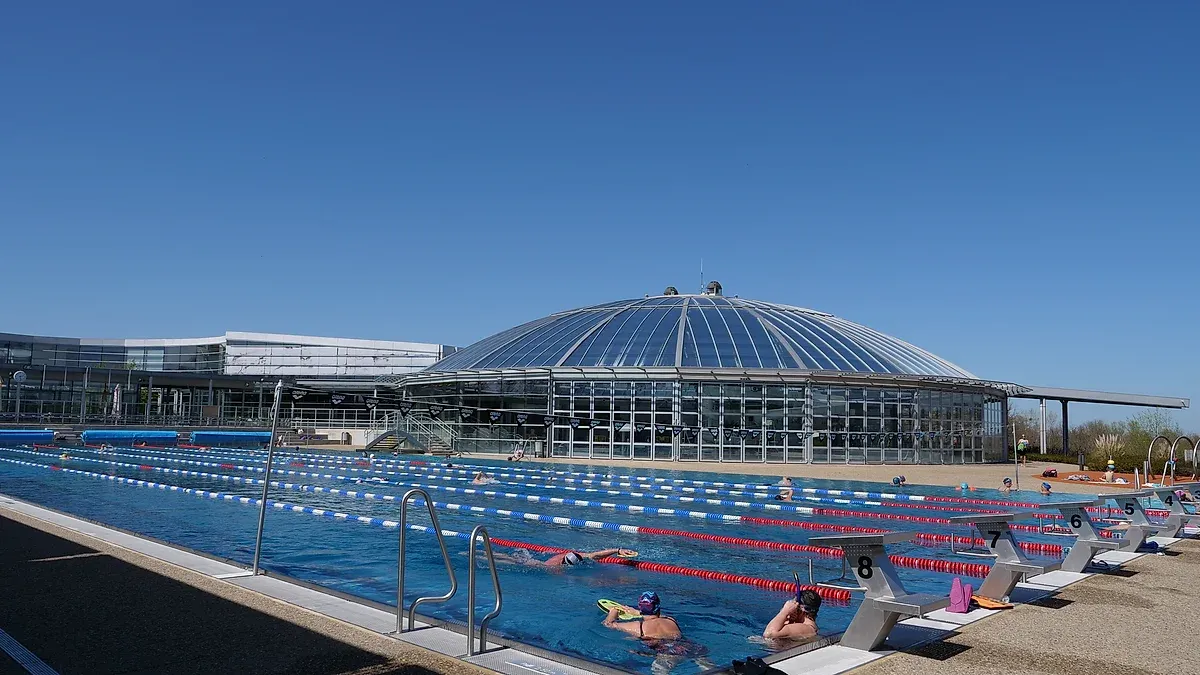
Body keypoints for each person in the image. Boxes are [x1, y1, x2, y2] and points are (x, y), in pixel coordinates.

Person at [603, 592, 715, 674]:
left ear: (640, 608)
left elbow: (608, 624)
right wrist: (638, 612)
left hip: (669, 654)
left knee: (659, 671)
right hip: (694, 647)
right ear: (658, 607)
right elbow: (657, 616)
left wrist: (613, 611)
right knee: (713, 671)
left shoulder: (638, 626)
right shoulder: (670, 620)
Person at [494, 547, 636, 567]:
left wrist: (618, 550)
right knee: (512, 562)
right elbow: (595, 556)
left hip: (535, 559)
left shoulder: (572, 555)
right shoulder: (555, 567)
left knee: (509, 557)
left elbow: (596, 555)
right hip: (537, 565)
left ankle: (489, 553)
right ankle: (485, 556)